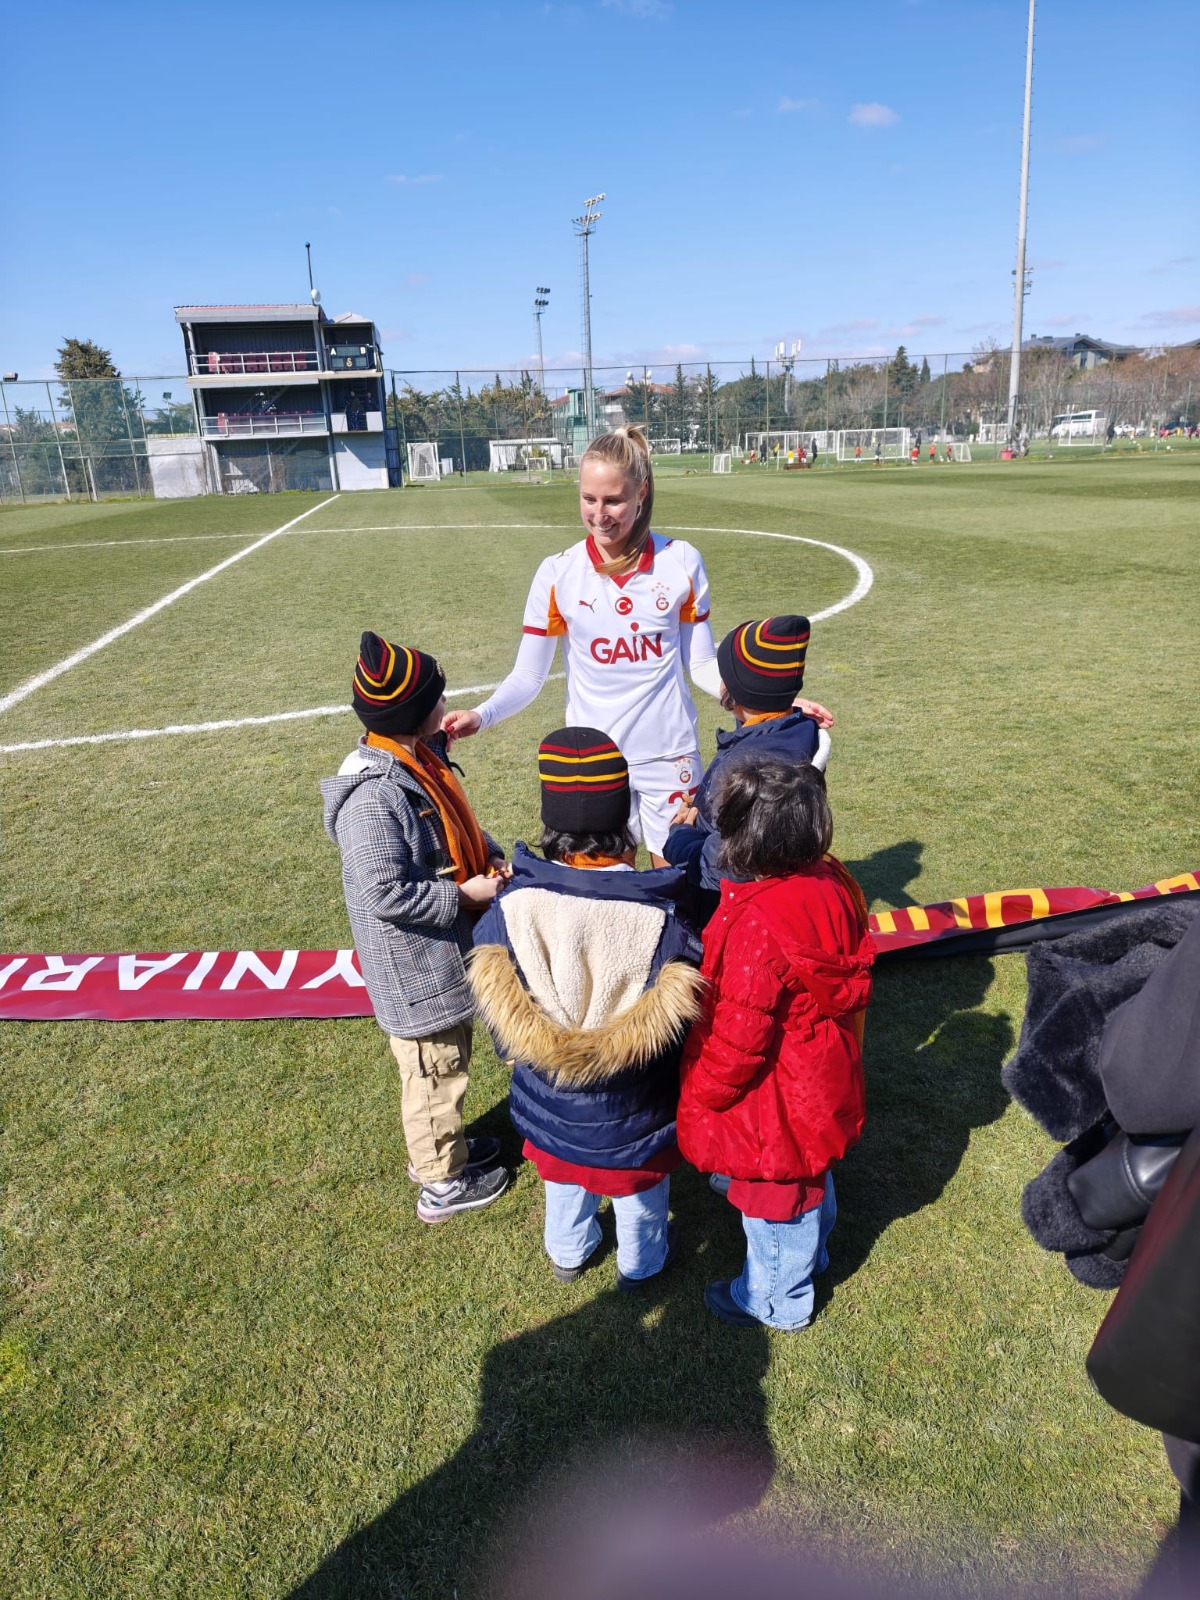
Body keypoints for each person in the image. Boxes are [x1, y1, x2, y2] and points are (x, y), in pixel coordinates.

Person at [444, 426, 829, 863]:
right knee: (611, 894)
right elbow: (530, 675)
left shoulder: (680, 561)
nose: (599, 514)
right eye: (589, 499)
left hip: (669, 754)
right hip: (592, 761)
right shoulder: (558, 573)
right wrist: (482, 714)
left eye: (613, 500)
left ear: (642, 492)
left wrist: (773, 707)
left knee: (681, 885)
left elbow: (700, 662)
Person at [470, 727, 703, 1287]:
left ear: (551, 826)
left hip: (547, 1099)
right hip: (637, 1106)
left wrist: (514, 1049)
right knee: (639, 1192)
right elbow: (678, 1024)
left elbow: (499, 994)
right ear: (624, 818)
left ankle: (568, 1254)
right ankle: (640, 1265)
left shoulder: (515, 904)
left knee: (563, 1183)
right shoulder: (662, 916)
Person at [676, 755, 874, 1330]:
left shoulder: (759, 925)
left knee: (776, 1199)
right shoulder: (831, 880)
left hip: (776, 1092)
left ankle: (773, 1299)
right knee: (810, 1172)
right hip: (820, 1066)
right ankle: (817, 1251)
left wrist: (704, 1089)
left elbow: (741, 1034)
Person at [321, 631, 510, 1224]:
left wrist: (489, 857)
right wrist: (462, 894)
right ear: (409, 713)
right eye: (437, 695)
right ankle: (440, 1182)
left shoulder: (416, 759)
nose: (444, 702)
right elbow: (379, 890)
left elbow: (451, 831)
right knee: (434, 1074)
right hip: (414, 966)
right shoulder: (375, 796)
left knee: (449, 1062)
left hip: (439, 956)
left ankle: (447, 1150)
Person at [664, 615, 819, 927]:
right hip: (781, 897)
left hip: (736, 915)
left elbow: (729, 862)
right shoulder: (798, 730)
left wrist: (680, 839)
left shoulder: (747, 770)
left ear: (737, 691)